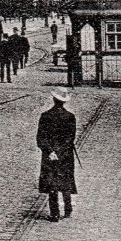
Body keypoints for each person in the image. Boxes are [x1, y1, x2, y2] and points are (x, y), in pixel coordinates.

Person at [37, 88, 78, 220]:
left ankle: (54, 213)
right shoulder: (70, 117)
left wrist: (50, 152)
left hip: (50, 155)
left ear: (54, 99)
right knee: (65, 180)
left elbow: (40, 138)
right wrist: (60, 152)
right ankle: (68, 209)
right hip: (65, 154)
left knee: (52, 182)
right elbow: (70, 139)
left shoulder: (45, 116)